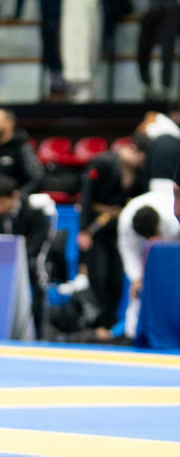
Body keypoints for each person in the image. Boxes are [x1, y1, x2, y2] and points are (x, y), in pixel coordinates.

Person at [76, 134, 149, 331]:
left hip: (121, 230)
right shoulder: (102, 162)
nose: (142, 161)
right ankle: (96, 323)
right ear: (132, 149)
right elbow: (86, 196)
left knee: (116, 278)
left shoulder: (139, 171)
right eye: (141, 156)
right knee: (99, 275)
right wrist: (83, 230)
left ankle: (109, 324)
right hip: (96, 229)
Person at [0, 175, 49, 334]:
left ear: (15, 196)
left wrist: (15, 259)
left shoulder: (33, 212)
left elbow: (37, 244)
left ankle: (37, 331)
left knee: (37, 272)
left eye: (2, 202)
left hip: (27, 261)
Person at [117, 192, 180, 338]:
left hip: (173, 241)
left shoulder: (173, 218)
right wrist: (136, 278)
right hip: (143, 235)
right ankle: (132, 333)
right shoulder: (126, 221)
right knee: (137, 289)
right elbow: (127, 251)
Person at [0, 107, 44, 201]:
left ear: (9, 123)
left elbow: (37, 178)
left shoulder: (23, 146)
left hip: (20, 202)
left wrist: (19, 195)